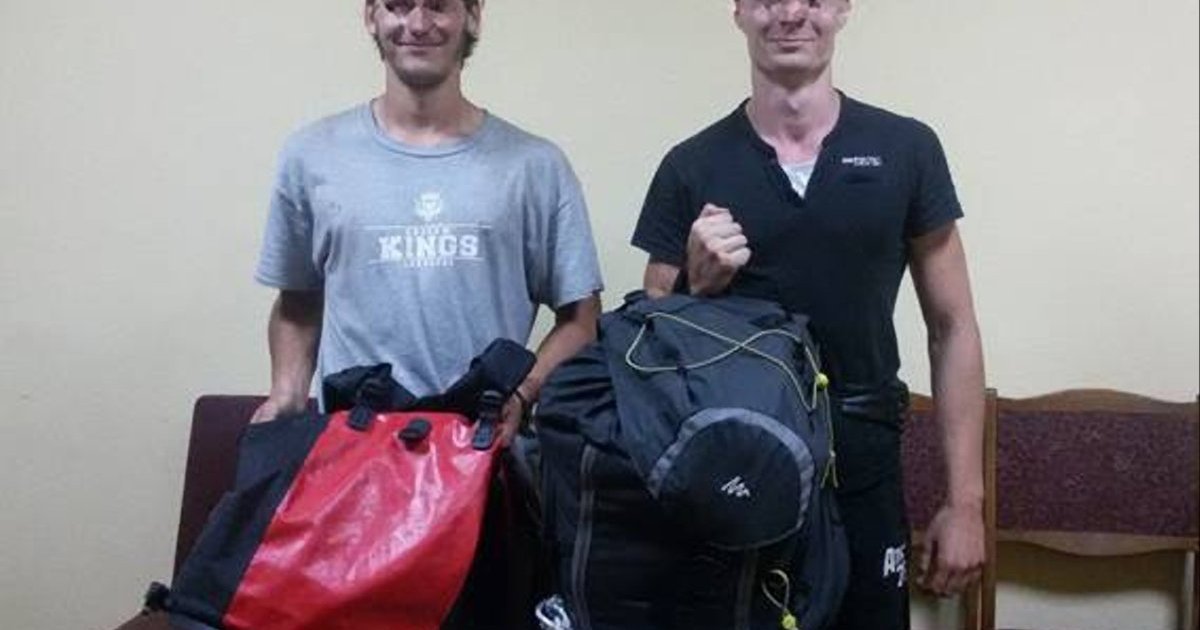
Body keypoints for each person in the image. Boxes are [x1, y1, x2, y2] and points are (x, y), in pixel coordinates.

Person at [630, 0, 986, 627]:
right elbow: (651, 345)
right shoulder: (691, 165)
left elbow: (952, 328)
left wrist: (966, 504)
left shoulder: (906, 148)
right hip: (738, 472)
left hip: (865, 463)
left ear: (843, 9)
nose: (792, 13)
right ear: (739, 11)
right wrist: (696, 288)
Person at [251, 0, 603, 444]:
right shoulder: (312, 155)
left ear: (472, 15)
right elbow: (298, 304)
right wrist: (285, 394)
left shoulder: (536, 166)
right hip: (353, 450)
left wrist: (523, 392)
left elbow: (582, 318)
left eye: (437, 6)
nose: (417, 24)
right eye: (398, 6)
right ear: (371, 16)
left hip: (477, 450)